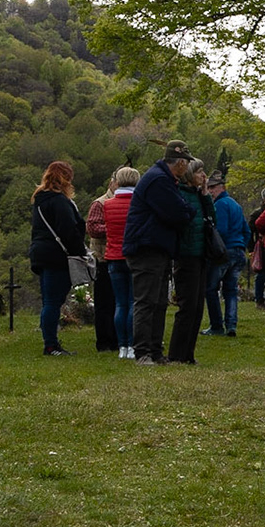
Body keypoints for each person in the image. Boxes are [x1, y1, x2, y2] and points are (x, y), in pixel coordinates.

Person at [124, 140, 194, 365]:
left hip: (157, 247)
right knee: (146, 301)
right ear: (181, 163)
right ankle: (143, 351)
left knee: (159, 301)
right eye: (186, 163)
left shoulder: (163, 179)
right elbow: (177, 213)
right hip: (147, 247)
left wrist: (184, 210)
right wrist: (187, 211)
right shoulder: (159, 181)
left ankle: (154, 350)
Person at [27, 160, 86, 357]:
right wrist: (80, 251)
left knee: (48, 300)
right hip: (57, 255)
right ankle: (51, 345)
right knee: (54, 301)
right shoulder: (59, 201)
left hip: (40, 252)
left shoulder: (40, 201)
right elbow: (68, 230)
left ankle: (50, 341)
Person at [165, 160, 216, 365]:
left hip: (201, 254)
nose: (203, 176)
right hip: (186, 255)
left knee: (197, 306)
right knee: (187, 306)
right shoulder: (180, 194)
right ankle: (177, 353)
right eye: (199, 172)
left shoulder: (198, 196)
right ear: (188, 174)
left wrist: (206, 196)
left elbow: (213, 219)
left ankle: (188, 353)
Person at [102, 166, 140, 358]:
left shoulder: (107, 204)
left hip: (113, 256)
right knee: (134, 302)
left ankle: (122, 346)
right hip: (134, 256)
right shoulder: (139, 203)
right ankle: (133, 345)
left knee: (120, 303)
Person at [205, 173, 249, 338]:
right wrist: (241, 245)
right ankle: (231, 324)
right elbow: (246, 230)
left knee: (211, 288)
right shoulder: (235, 205)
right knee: (230, 290)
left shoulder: (220, 205)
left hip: (225, 251)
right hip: (238, 250)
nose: (210, 191)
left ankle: (216, 325)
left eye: (213, 187)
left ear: (221, 187)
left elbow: (220, 230)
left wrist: (215, 248)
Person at [85, 179, 119, 354]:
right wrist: (114, 227)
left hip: (120, 257)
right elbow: (92, 228)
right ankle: (104, 342)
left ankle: (117, 339)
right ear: (112, 183)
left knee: (118, 302)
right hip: (103, 258)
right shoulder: (100, 203)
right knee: (104, 303)